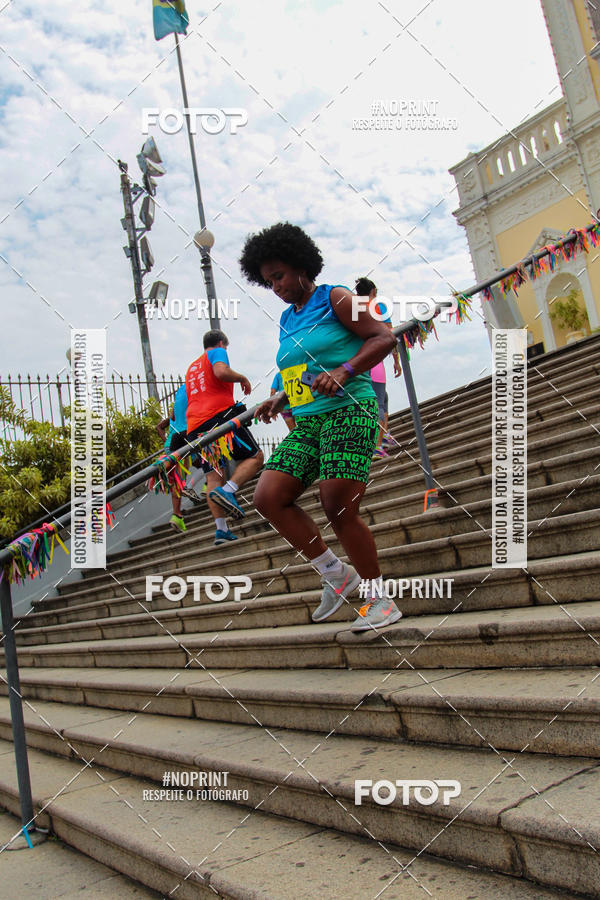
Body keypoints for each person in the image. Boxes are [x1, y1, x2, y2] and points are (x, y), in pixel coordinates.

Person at [240, 222, 403, 631]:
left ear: (301, 266)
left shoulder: (336, 298)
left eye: (279, 276)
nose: (275, 286)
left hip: (350, 409)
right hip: (309, 420)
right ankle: (336, 574)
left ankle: (380, 599)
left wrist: (346, 370)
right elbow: (299, 367)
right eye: (268, 281)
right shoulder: (286, 318)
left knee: (338, 505)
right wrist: (281, 397)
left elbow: (384, 338)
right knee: (268, 496)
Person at [185, 330, 264, 546]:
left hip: (195, 427)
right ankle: (228, 490)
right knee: (256, 457)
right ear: (221, 343)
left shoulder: (192, 368)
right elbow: (221, 372)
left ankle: (221, 529)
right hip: (218, 418)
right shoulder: (217, 352)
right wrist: (242, 378)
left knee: (213, 477)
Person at [354, 277, 402, 458]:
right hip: (374, 362)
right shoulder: (378, 306)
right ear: (373, 291)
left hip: (357, 360)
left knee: (383, 397)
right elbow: (391, 335)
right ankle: (377, 445)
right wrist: (396, 360)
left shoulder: (353, 308)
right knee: (379, 402)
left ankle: (385, 435)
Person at [156, 383, 195, 533]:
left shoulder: (179, 400)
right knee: (207, 460)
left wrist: (165, 439)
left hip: (171, 444)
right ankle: (202, 487)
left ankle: (176, 514)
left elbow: (170, 417)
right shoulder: (193, 393)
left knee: (178, 479)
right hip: (184, 438)